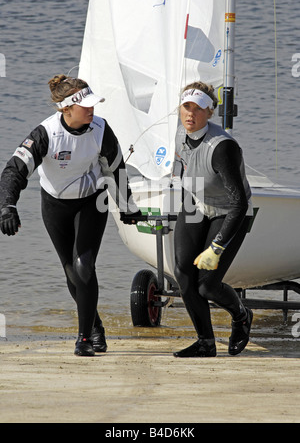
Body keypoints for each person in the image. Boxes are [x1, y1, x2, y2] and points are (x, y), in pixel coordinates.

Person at [0, 74, 140, 356]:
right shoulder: (45, 134)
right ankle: (95, 326)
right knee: (71, 273)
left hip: (92, 200)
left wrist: (127, 206)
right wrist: (7, 206)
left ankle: (84, 339)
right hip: (55, 205)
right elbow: (14, 170)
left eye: (92, 104)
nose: (91, 109)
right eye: (85, 106)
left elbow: (116, 169)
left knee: (84, 267)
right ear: (66, 108)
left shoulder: (100, 129)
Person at [173, 81, 253, 357]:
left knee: (206, 285)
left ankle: (241, 316)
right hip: (197, 205)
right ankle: (206, 343)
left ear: (210, 112)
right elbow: (182, 168)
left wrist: (216, 248)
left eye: (198, 109)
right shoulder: (180, 133)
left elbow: (239, 203)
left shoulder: (222, 148)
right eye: (186, 107)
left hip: (231, 213)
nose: (190, 114)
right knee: (182, 271)